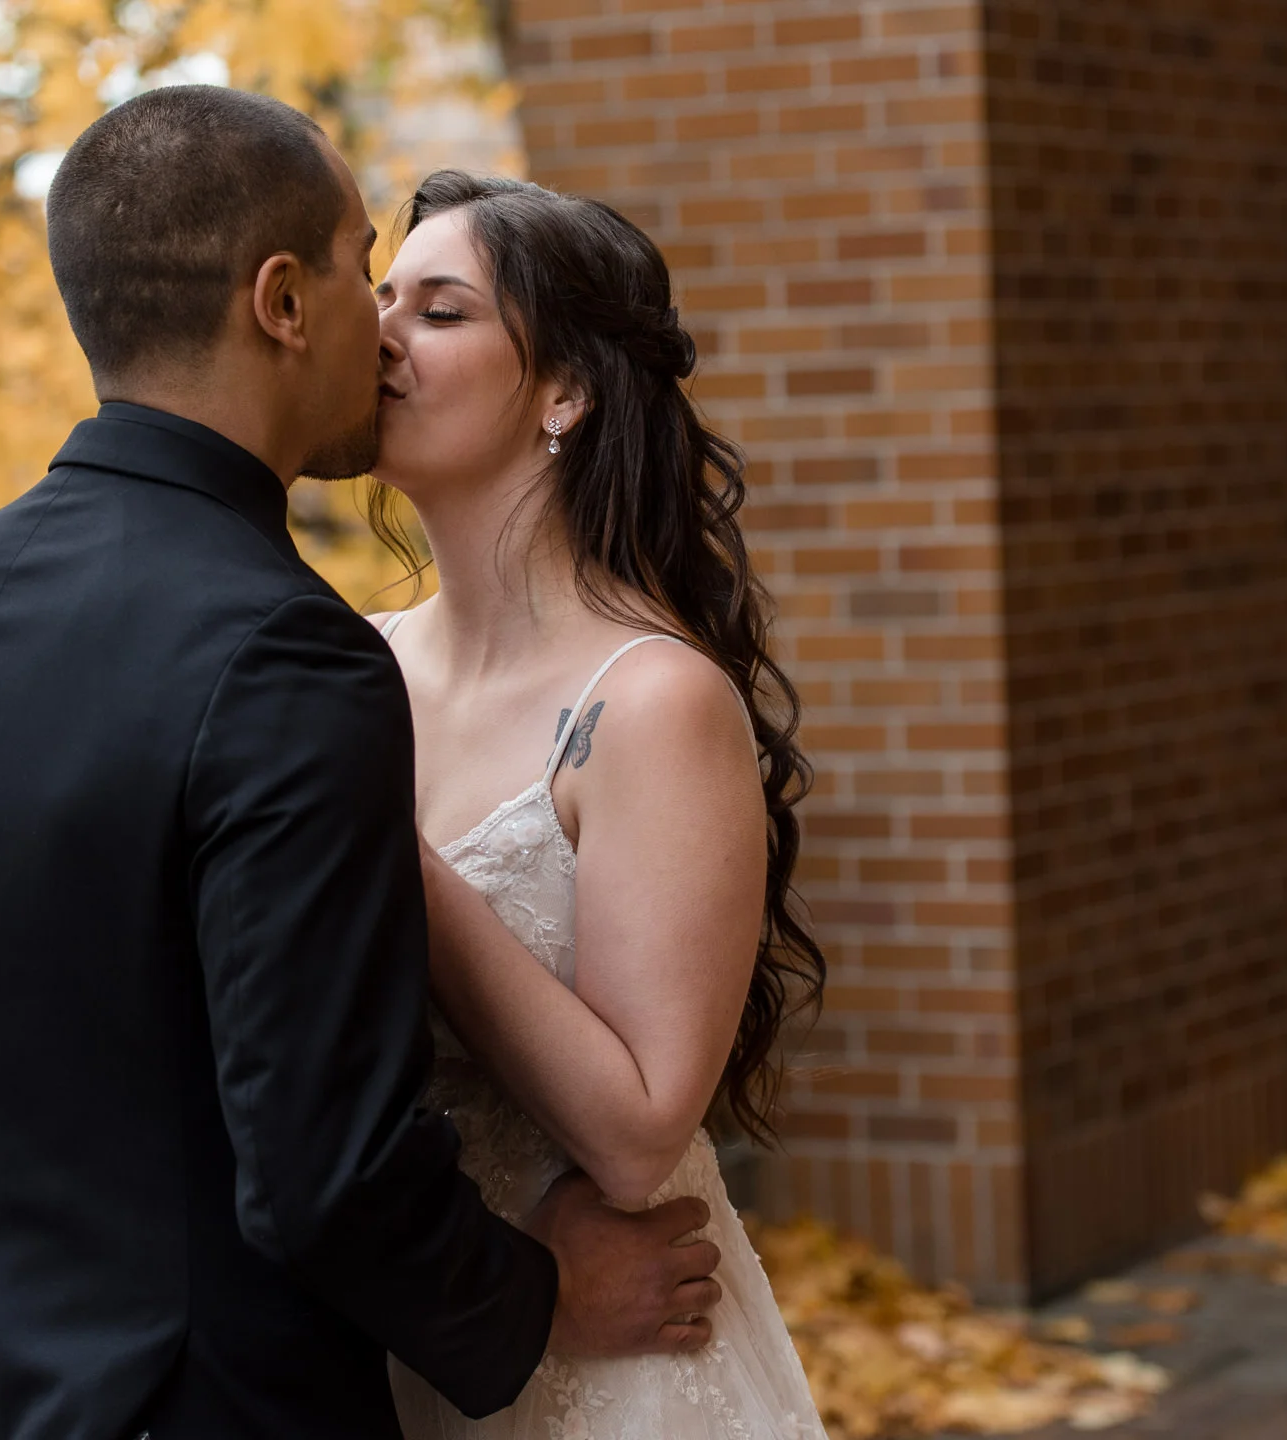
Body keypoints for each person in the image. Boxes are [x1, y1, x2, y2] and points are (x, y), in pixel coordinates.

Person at [0, 89, 723, 1440]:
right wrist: (536, 1301)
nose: (379, 327)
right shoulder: (285, 655)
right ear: (280, 303)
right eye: (365, 271)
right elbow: (321, 1172)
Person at [366, 172, 831, 1440]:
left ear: (564, 391)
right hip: (410, 1341)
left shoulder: (655, 701)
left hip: (620, 1368)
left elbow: (636, 1135)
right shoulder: (350, 662)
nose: (381, 336)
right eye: (380, 299)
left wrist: (386, 852)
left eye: (442, 310)